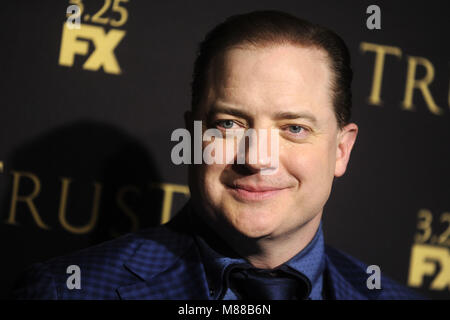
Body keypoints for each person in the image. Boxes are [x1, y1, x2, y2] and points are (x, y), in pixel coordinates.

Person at [13, 10, 422, 300]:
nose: (257, 158)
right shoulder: (71, 291)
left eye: (293, 128)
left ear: (341, 149)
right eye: (229, 124)